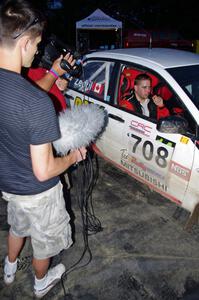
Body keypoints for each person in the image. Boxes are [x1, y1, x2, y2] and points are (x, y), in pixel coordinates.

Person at [0, 0, 87, 298]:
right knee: (45, 241)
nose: (37, 50)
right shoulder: (35, 103)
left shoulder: (22, 93)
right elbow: (44, 170)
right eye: (36, 44)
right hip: (39, 192)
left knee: (17, 226)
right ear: (25, 42)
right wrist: (73, 156)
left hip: (9, 186)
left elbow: (23, 95)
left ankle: (9, 267)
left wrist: (52, 71)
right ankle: (41, 282)